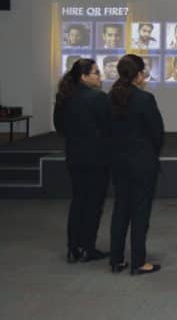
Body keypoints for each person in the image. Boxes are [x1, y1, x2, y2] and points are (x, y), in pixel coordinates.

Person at [108, 54, 164, 275]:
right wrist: (151, 153)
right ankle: (139, 262)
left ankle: (116, 259)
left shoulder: (110, 97)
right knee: (140, 212)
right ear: (139, 75)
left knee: (120, 210)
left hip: (118, 162)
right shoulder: (144, 99)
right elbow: (157, 133)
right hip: (142, 163)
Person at [52, 58, 110, 263]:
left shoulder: (64, 97)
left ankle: (73, 248)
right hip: (97, 158)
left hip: (74, 157)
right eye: (96, 72)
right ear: (84, 77)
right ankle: (87, 248)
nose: (100, 76)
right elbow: (109, 127)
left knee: (78, 201)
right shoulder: (98, 98)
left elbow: (59, 127)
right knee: (93, 204)